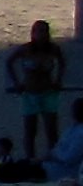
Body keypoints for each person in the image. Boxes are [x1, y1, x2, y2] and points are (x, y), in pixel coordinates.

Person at [11, 22, 66, 156]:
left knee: (51, 130)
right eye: (38, 31)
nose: (41, 34)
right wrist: (16, 83)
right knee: (30, 130)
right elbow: (9, 63)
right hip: (29, 92)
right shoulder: (25, 49)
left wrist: (58, 80)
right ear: (32, 33)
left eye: (44, 31)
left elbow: (62, 63)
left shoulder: (53, 49)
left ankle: (53, 158)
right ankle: (30, 159)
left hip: (48, 91)